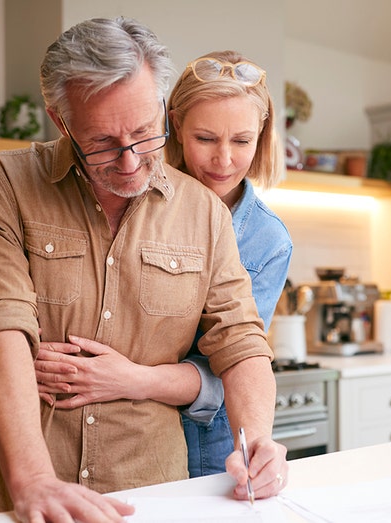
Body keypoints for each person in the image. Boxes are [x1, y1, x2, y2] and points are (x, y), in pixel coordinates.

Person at [0, 17, 287, 523]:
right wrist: (34, 480)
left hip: (152, 495)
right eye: (103, 143)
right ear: (60, 120)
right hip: (21, 493)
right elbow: (0, 324)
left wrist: (259, 442)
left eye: (143, 134)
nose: (131, 162)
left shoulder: (204, 211)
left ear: (163, 112)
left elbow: (240, 340)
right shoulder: (5, 182)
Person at [34, 50, 293, 478]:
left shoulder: (268, 239)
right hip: (107, 434)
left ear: (262, 136)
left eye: (242, 141)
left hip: (209, 438)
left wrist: (130, 377)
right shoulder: (125, 186)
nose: (223, 159)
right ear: (171, 124)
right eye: (205, 138)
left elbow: (229, 362)